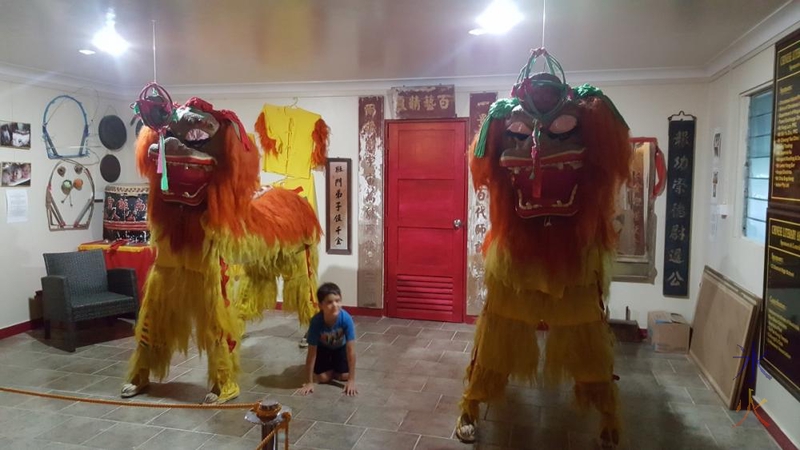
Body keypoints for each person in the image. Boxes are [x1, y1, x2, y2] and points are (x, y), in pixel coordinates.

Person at [298, 282, 358, 396]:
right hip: (323, 349)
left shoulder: (346, 319)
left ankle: (334, 370)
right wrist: (309, 382)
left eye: (338, 300)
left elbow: (351, 351)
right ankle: (331, 370)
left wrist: (351, 380)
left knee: (345, 376)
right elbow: (311, 353)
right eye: (329, 302)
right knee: (322, 378)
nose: (335, 305)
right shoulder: (316, 322)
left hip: (340, 348)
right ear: (320, 305)